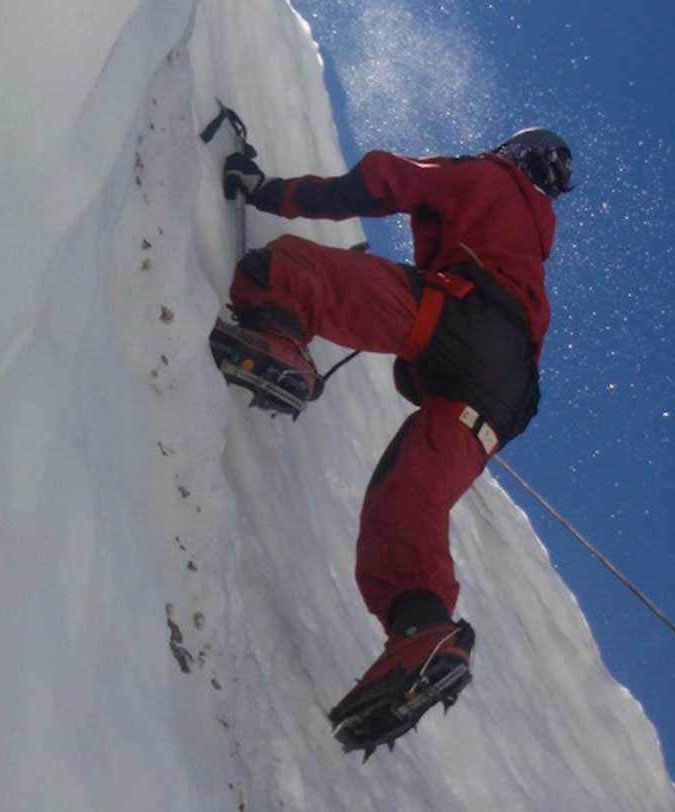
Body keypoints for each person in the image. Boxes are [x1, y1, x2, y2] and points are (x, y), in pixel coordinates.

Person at [210, 128, 572, 756]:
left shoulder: (488, 179)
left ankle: (277, 339)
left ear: (514, 155)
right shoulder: (532, 251)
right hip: (502, 399)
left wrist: (267, 191)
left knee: (283, 270)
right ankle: (422, 628)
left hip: (459, 320)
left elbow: (387, 180)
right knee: (405, 503)